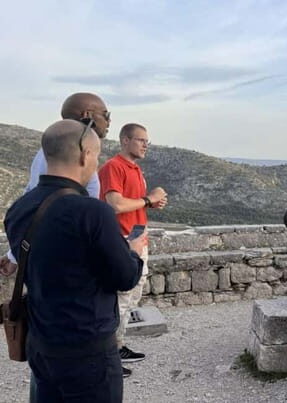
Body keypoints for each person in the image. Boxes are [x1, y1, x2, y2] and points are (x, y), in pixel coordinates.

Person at [3, 119, 144, 402]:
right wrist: (133, 251)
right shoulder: (93, 212)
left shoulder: (18, 209)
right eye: (96, 154)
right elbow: (125, 277)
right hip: (87, 349)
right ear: (84, 154)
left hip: (41, 344)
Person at [1, 92, 111, 274]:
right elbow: (43, 208)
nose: (109, 121)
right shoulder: (68, 157)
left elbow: (32, 200)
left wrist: (15, 255)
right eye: (105, 115)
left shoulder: (48, 153)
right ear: (87, 115)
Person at [99, 123, 167, 375]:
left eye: (147, 141)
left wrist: (150, 203)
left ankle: (117, 347)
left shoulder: (135, 169)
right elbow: (115, 204)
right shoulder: (113, 167)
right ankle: (107, 355)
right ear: (125, 140)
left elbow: (131, 204)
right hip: (123, 241)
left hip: (138, 239)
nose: (145, 145)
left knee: (131, 298)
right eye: (141, 140)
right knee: (120, 299)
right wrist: (148, 199)